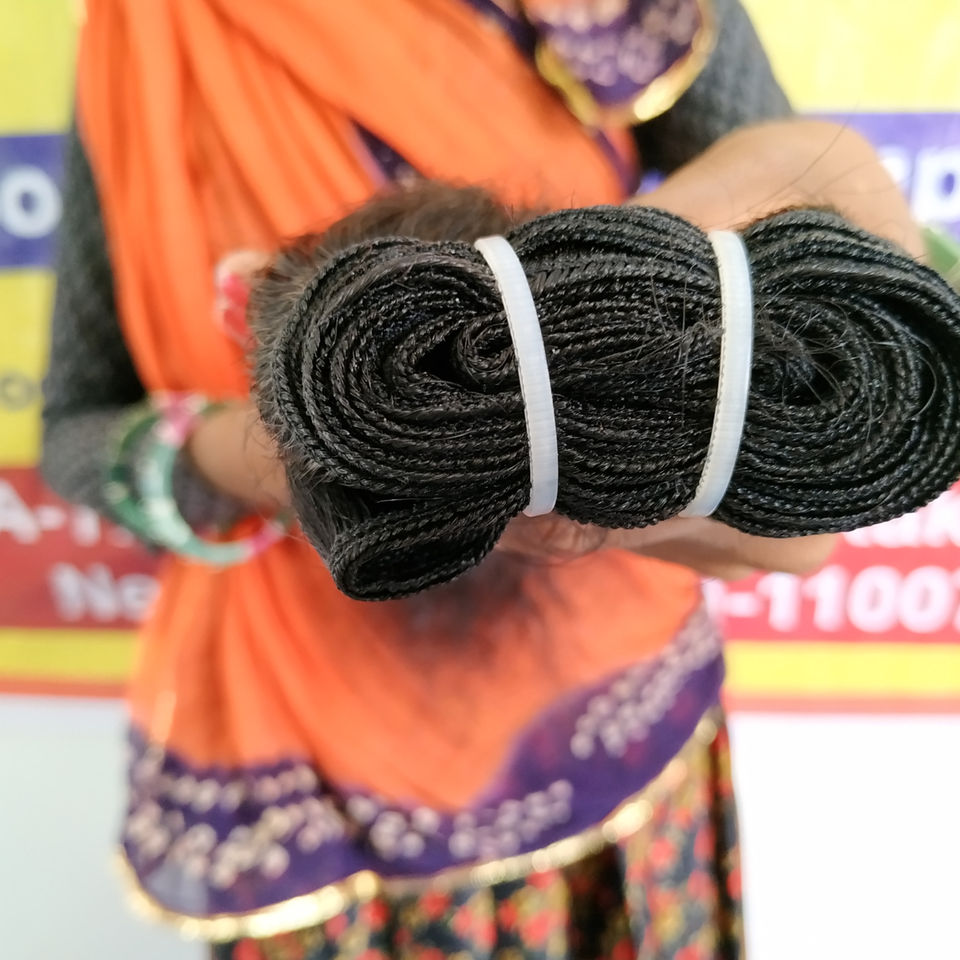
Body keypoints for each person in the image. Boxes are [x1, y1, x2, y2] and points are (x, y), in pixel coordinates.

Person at [42, 1, 918, 957]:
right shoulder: (152, 32)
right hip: (307, 754)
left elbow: (825, 248)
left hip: (614, 699)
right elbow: (75, 435)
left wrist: (599, 315)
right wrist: (277, 454)